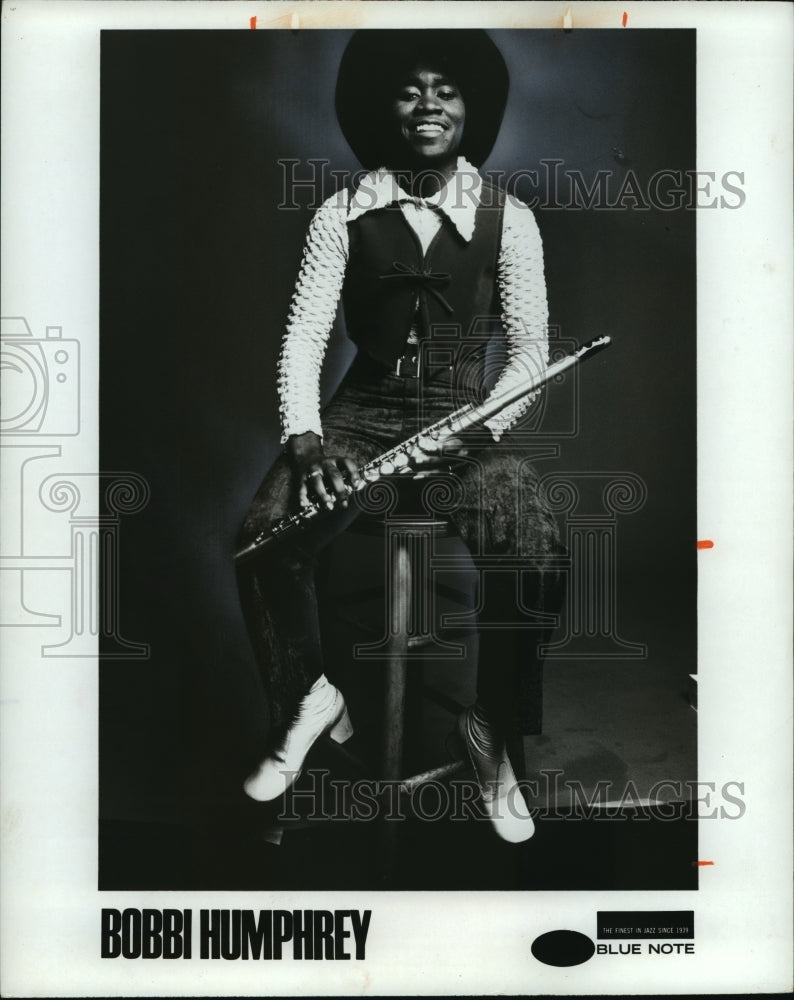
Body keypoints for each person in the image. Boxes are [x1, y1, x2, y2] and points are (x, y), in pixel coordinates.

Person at [236, 30, 564, 843]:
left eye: (445, 89)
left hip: (465, 416)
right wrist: (308, 440)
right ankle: (308, 700)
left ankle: (492, 731)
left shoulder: (510, 218)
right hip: (361, 414)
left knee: (538, 550)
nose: (428, 103)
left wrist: (483, 428)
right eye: (409, 89)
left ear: (469, 109)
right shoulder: (340, 212)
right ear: (385, 109)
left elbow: (528, 350)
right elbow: (305, 339)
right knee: (263, 538)